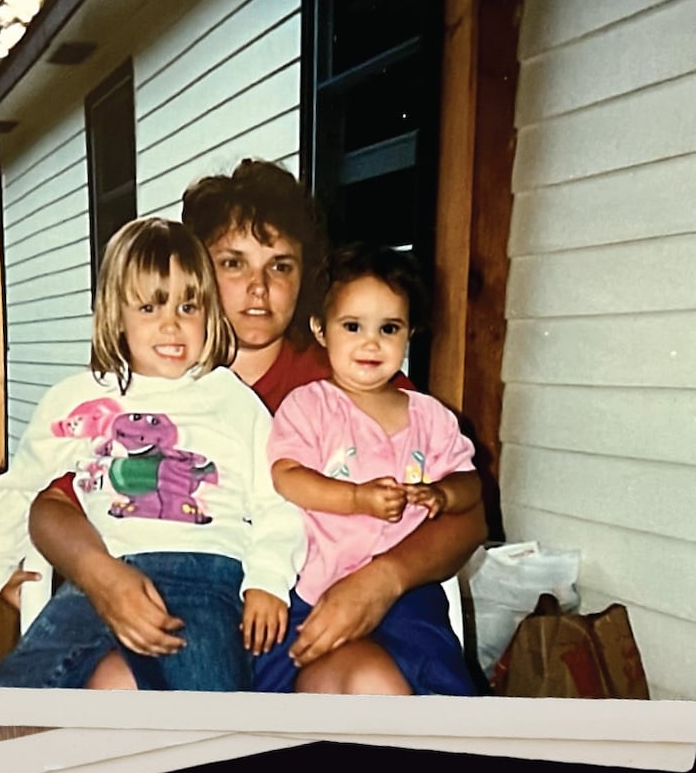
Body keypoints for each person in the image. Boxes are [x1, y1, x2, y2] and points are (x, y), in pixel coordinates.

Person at [27, 158, 487, 693]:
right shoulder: (157, 384)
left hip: (321, 609)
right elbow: (53, 505)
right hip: (187, 607)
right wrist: (99, 575)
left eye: (280, 266)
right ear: (197, 270)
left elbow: (468, 515)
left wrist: (382, 581)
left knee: (369, 684)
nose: (258, 288)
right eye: (233, 263)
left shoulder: (346, 375)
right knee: (116, 686)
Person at [0, 216, 306, 692]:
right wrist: (1, 563)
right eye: (150, 307)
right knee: (13, 689)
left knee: (211, 704)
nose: (171, 324)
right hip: (103, 572)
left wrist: (267, 581)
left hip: (206, 578)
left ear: (209, 313)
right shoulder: (79, 397)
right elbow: (22, 482)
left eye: (187, 306)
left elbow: (277, 501)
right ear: (116, 315)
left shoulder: (233, 401)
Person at [259, 243, 481, 696]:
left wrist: (443, 495)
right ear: (321, 330)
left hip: (406, 593)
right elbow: (287, 475)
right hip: (315, 583)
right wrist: (356, 498)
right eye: (353, 326)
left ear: (410, 332)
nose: (371, 342)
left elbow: (469, 484)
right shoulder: (309, 406)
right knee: (269, 676)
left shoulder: (430, 416)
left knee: (440, 672)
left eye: (389, 328)